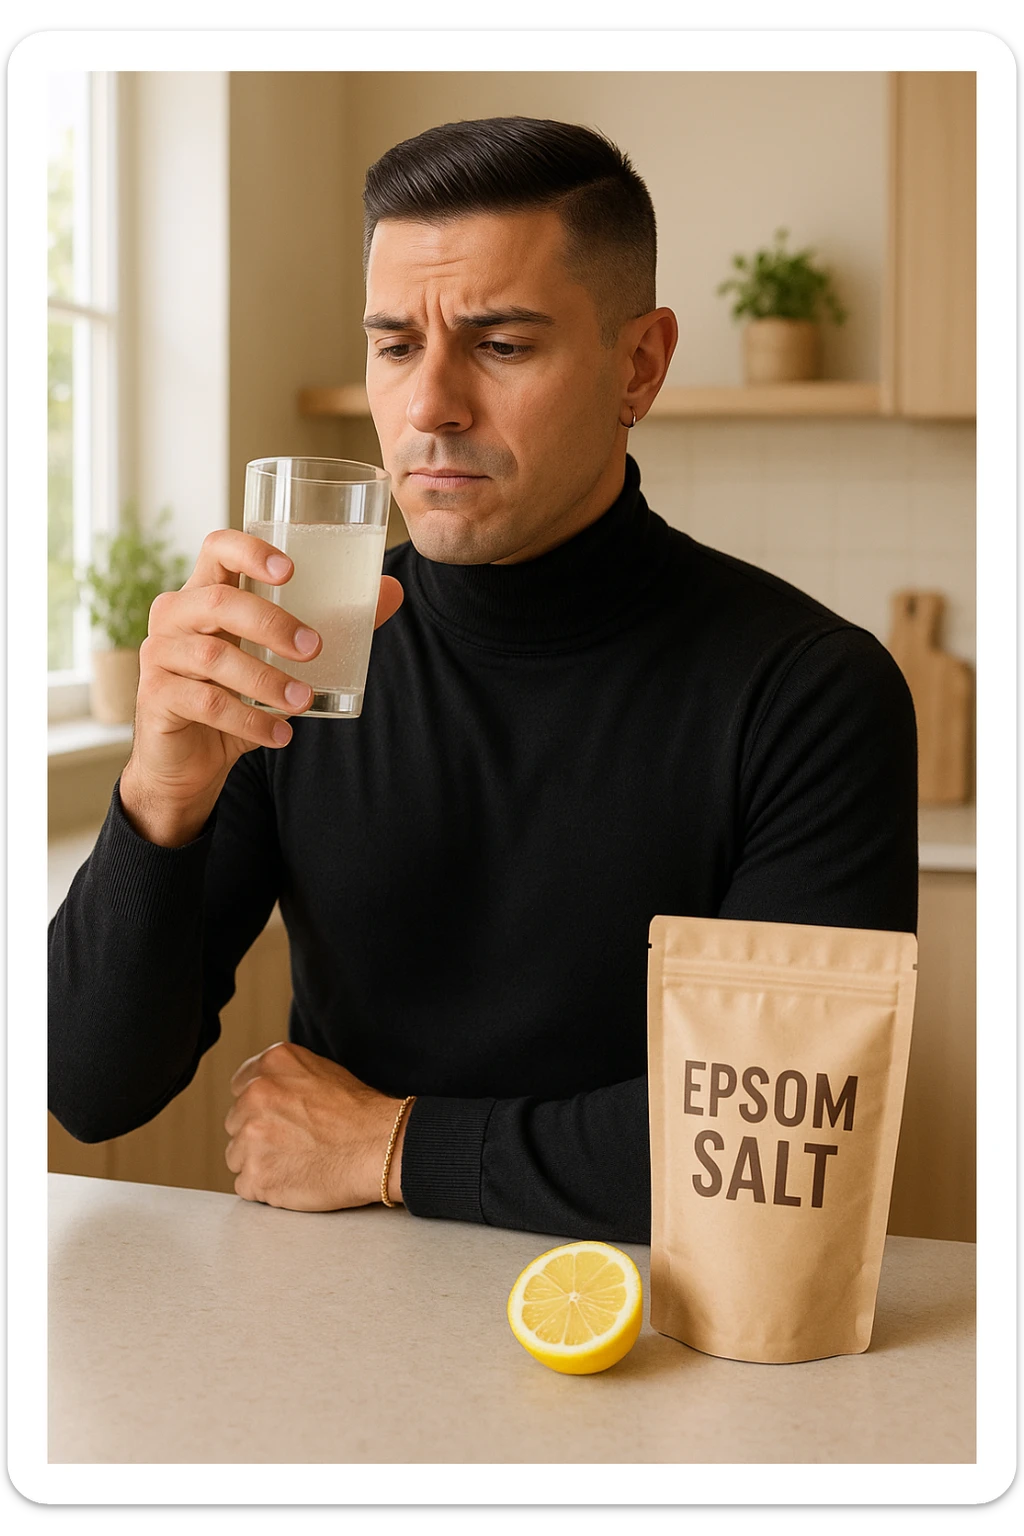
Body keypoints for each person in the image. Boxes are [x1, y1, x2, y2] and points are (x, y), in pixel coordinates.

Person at [48, 118, 918, 1244]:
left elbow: (784, 1149)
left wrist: (392, 1146)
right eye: (396, 345)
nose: (429, 407)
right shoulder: (299, 662)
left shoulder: (810, 691)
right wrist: (157, 800)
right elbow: (90, 1089)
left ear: (638, 364)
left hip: (656, 1326)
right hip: (333, 1326)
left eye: (501, 345)